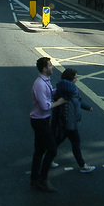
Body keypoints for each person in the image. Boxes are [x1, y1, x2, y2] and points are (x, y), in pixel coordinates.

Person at [30, 57, 66, 192]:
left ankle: (34, 179)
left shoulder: (45, 81)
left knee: (39, 151)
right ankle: (42, 180)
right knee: (52, 150)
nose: (53, 67)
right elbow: (45, 106)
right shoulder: (39, 84)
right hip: (40, 121)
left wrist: (62, 88)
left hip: (42, 120)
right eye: (50, 66)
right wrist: (60, 102)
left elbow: (50, 93)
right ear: (44, 69)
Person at [51, 68, 95, 173]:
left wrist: (87, 107)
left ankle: (49, 158)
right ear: (70, 79)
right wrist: (68, 122)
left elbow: (78, 101)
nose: (76, 79)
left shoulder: (67, 90)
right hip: (69, 123)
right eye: (75, 77)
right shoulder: (70, 91)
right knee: (75, 143)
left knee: (58, 141)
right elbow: (70, 107)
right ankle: (82, 165)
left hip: (67, 122)